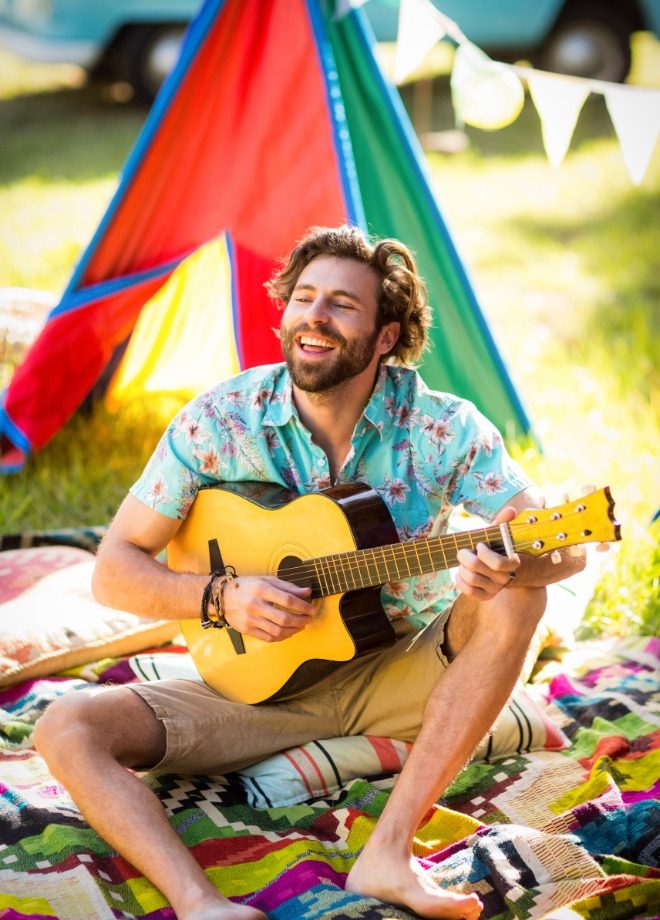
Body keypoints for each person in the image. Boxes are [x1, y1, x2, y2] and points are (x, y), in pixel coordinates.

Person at [34, 225, 587, 920]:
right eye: (303, 297)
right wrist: (221, 596)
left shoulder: (443, 428)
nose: (314, 317)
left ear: (386, 337)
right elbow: (114, 569)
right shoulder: (222, 419)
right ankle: (201, 904)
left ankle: (388, 854)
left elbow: (564, 548)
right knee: (65, 727)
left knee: (517, 596)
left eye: (342, 305)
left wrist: (510, 564)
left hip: (401, 671)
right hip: (251, 689)